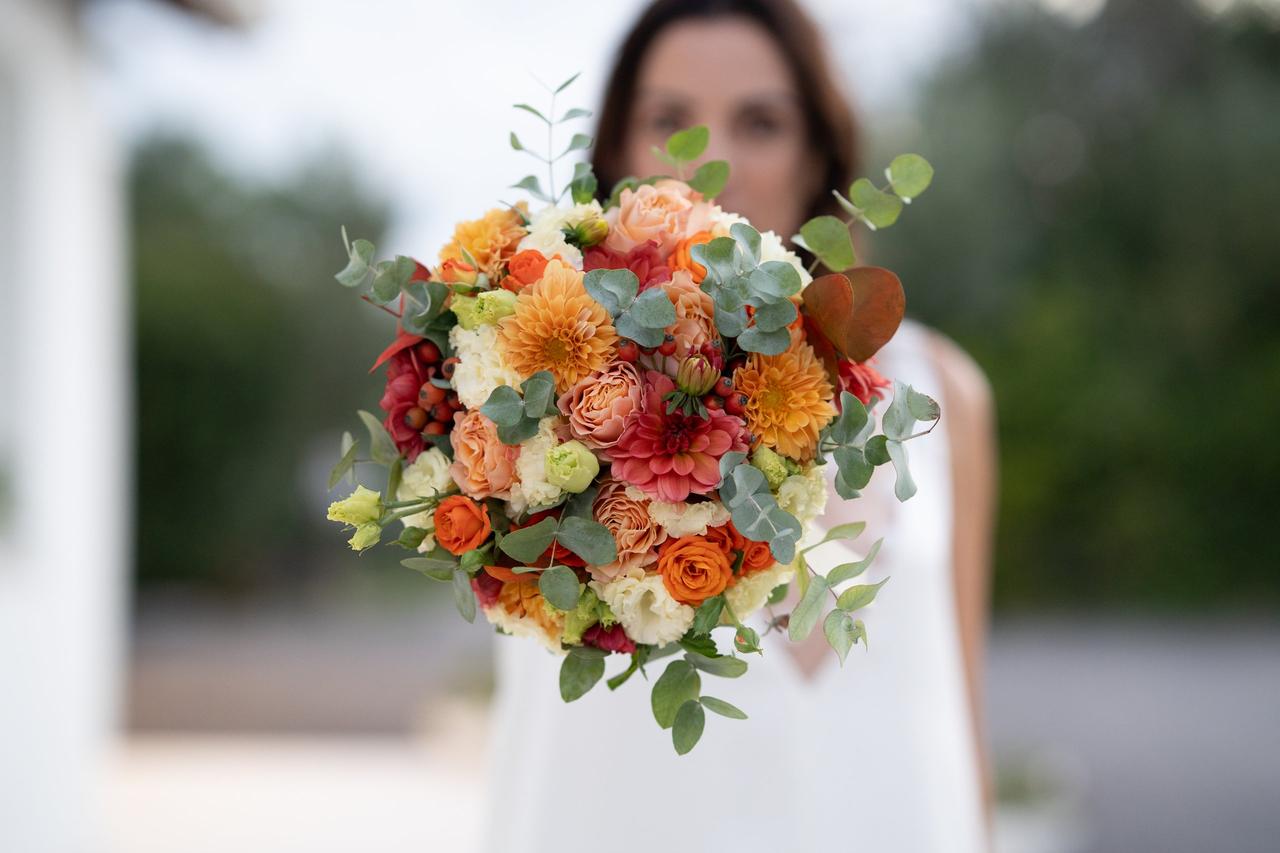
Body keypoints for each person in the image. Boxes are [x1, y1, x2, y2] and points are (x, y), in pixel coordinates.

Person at [479, 2, 997, 850]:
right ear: (613, 155)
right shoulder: (521, 387)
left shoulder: (940, 391)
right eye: (669, 120)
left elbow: (960, 705)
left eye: (759, 121)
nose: (710, 163)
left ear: (817, 160)